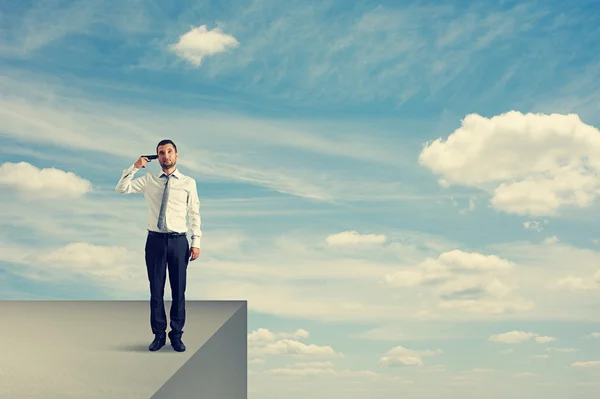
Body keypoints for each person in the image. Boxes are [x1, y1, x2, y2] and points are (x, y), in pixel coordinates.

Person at [115, 139, 201, 352]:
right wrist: (134, 168)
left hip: (179, 242)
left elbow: (194, 213)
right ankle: (159, 335)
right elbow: (121, 188)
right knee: (156, 291)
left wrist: (196, 241)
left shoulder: (188, 182)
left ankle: (177, 335)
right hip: (154, 241)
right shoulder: (149, 180)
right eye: (161, 153)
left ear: (176, 155)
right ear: (157, 157)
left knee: (179, 291)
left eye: (169, 152)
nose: (165, 156)